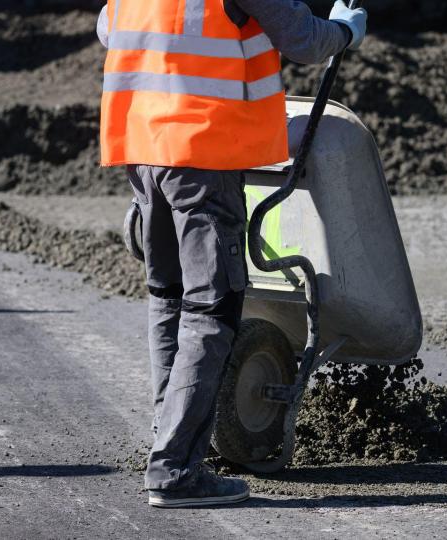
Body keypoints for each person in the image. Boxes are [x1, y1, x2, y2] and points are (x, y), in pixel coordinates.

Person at [96, 0, 367, 508]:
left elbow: (108, 30)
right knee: (210, 309)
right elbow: (303, 39)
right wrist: (346, 31)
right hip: (202, 151)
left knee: (169, 297)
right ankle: (175, 468)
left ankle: (170, 439)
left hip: (144, 148)